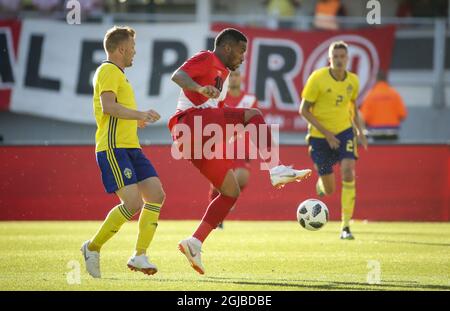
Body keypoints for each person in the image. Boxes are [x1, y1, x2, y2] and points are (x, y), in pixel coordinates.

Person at [169, 28, 311, 274]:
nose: (243, 57)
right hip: (189, 123)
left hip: (198, 139)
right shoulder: (207, 58)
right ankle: (276, 169)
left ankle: (195, 242)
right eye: (241, 51)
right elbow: (178, 76)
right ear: (227, 47)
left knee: (230, 192)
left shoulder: (223, 76)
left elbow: (220, 113)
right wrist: (200, 89)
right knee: (253, 115)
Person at [81, 26, 166, 278]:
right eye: (132, 48)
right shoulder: (108, 70)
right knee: (132, 203)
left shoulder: (118, 74)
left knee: (156, 195)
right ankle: (92, 247)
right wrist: (140, 114)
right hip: (114, 148)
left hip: (131, 147)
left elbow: (118, 110)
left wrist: (136, 120)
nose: (134, 53)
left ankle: (140, 255)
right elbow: (108, 107)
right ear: (121, 49)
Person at [300, 41, 368, 240]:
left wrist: (360, 131)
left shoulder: (353, 81)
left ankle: (346, 226)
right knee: (330, 190)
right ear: (330, 59)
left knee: (348, 172)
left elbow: (352, 107)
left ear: (347, 59)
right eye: (335, 57)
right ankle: (321, 185)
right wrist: (328, 134)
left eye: (342, 57)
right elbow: (303, 110)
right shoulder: (318, 78)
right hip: (320, 138)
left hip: (345, 132)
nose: (339, 60)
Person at [210, 69, 258, 229]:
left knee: (242, 177)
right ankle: (216, 217)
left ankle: (229, 197)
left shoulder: (250, 99)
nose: (234, 78)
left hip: (242, 144)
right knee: (219, 182)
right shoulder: (219, 97)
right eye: (231, 75)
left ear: (242, 77)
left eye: (237, 74)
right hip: (221, 143)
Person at [360, 71, 407, 141]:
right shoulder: (395, 94)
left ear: (376, 81)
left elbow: (364, 118)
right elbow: (402, 114)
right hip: (392, 132)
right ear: (386, 80)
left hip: (375, 133)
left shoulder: (369, 95)